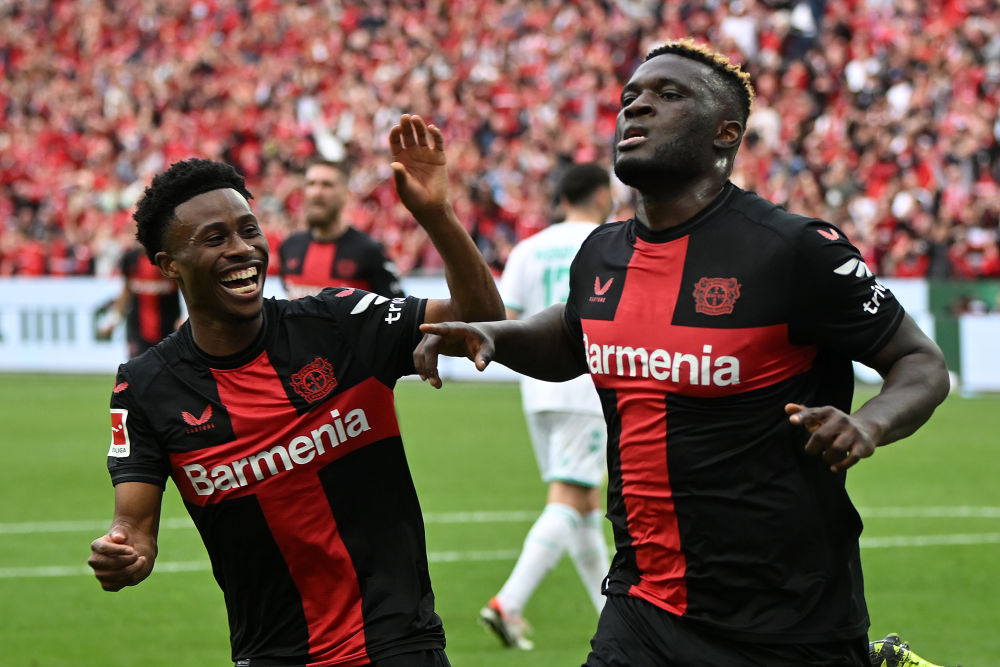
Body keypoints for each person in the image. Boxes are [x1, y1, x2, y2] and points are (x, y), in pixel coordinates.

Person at [415, 41, 954, 667]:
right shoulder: (602, 253)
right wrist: (497, 335)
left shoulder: (794, 249)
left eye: (668, 95)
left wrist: (869, 423)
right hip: (642, 603)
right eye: (630, 98)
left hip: (788, 614)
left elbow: (921, 363)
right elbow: (571, 337)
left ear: (726, 133)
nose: (636, 107)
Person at [87, 114, 505, 667]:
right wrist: (124, 553)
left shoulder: (337, 322)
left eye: (249, 230)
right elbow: (134, 529)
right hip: (272, 655)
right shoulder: (144, 387)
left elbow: (483, 319)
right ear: (170, 266)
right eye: (215, 239)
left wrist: (437, 214)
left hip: (397, 645)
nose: (242, 249)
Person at [479, 163, 613, 651]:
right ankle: (508, 602)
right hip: (589, 389)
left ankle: (609, 614)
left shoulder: (529, 249)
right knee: (569, 497)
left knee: (584, 503)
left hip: (538, 392)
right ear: (602, 196)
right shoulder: (613, 242)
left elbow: (507, 321)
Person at [279, 158, 405, 299]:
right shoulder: (289, 247)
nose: (316, 192)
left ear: (346, 195)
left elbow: (398, 307)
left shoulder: (370, 251)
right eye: (311, 184)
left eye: (327, 185)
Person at [98, 241, 183, 358]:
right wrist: (114, 319)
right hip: (137, 329)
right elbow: (126, 291)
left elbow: (185, 288)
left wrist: (185, 316)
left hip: (169, 328)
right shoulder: (130, 259)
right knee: (138, 367)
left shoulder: (170, 260)